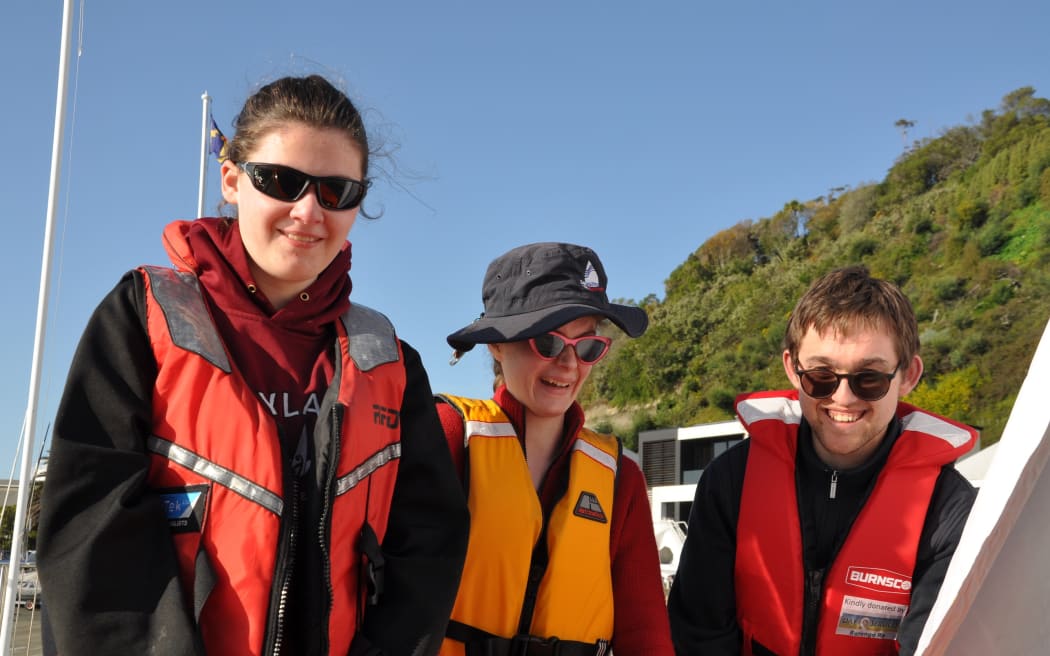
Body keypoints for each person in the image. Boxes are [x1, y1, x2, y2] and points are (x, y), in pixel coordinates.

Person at [36, 74, 469, 656]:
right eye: (282, 182)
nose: (309, 211)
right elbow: (90, 535)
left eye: (338, 191)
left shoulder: (389, 360)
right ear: (233, 179)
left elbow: (428, 547)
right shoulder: (143, 320)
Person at [667, 265, 978, 656]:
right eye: (821, 376)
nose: (843, 399)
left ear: (908, 375)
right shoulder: (731, 480)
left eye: (870, 378)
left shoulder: (949, 508)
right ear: (792, 370)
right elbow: (699, 633)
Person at [435, 242, 674, 656]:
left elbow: (646, 634)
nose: (568, 364)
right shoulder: (449, 435)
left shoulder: (621, 478)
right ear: (495, 344)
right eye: (547, 343)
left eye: (587, 348)